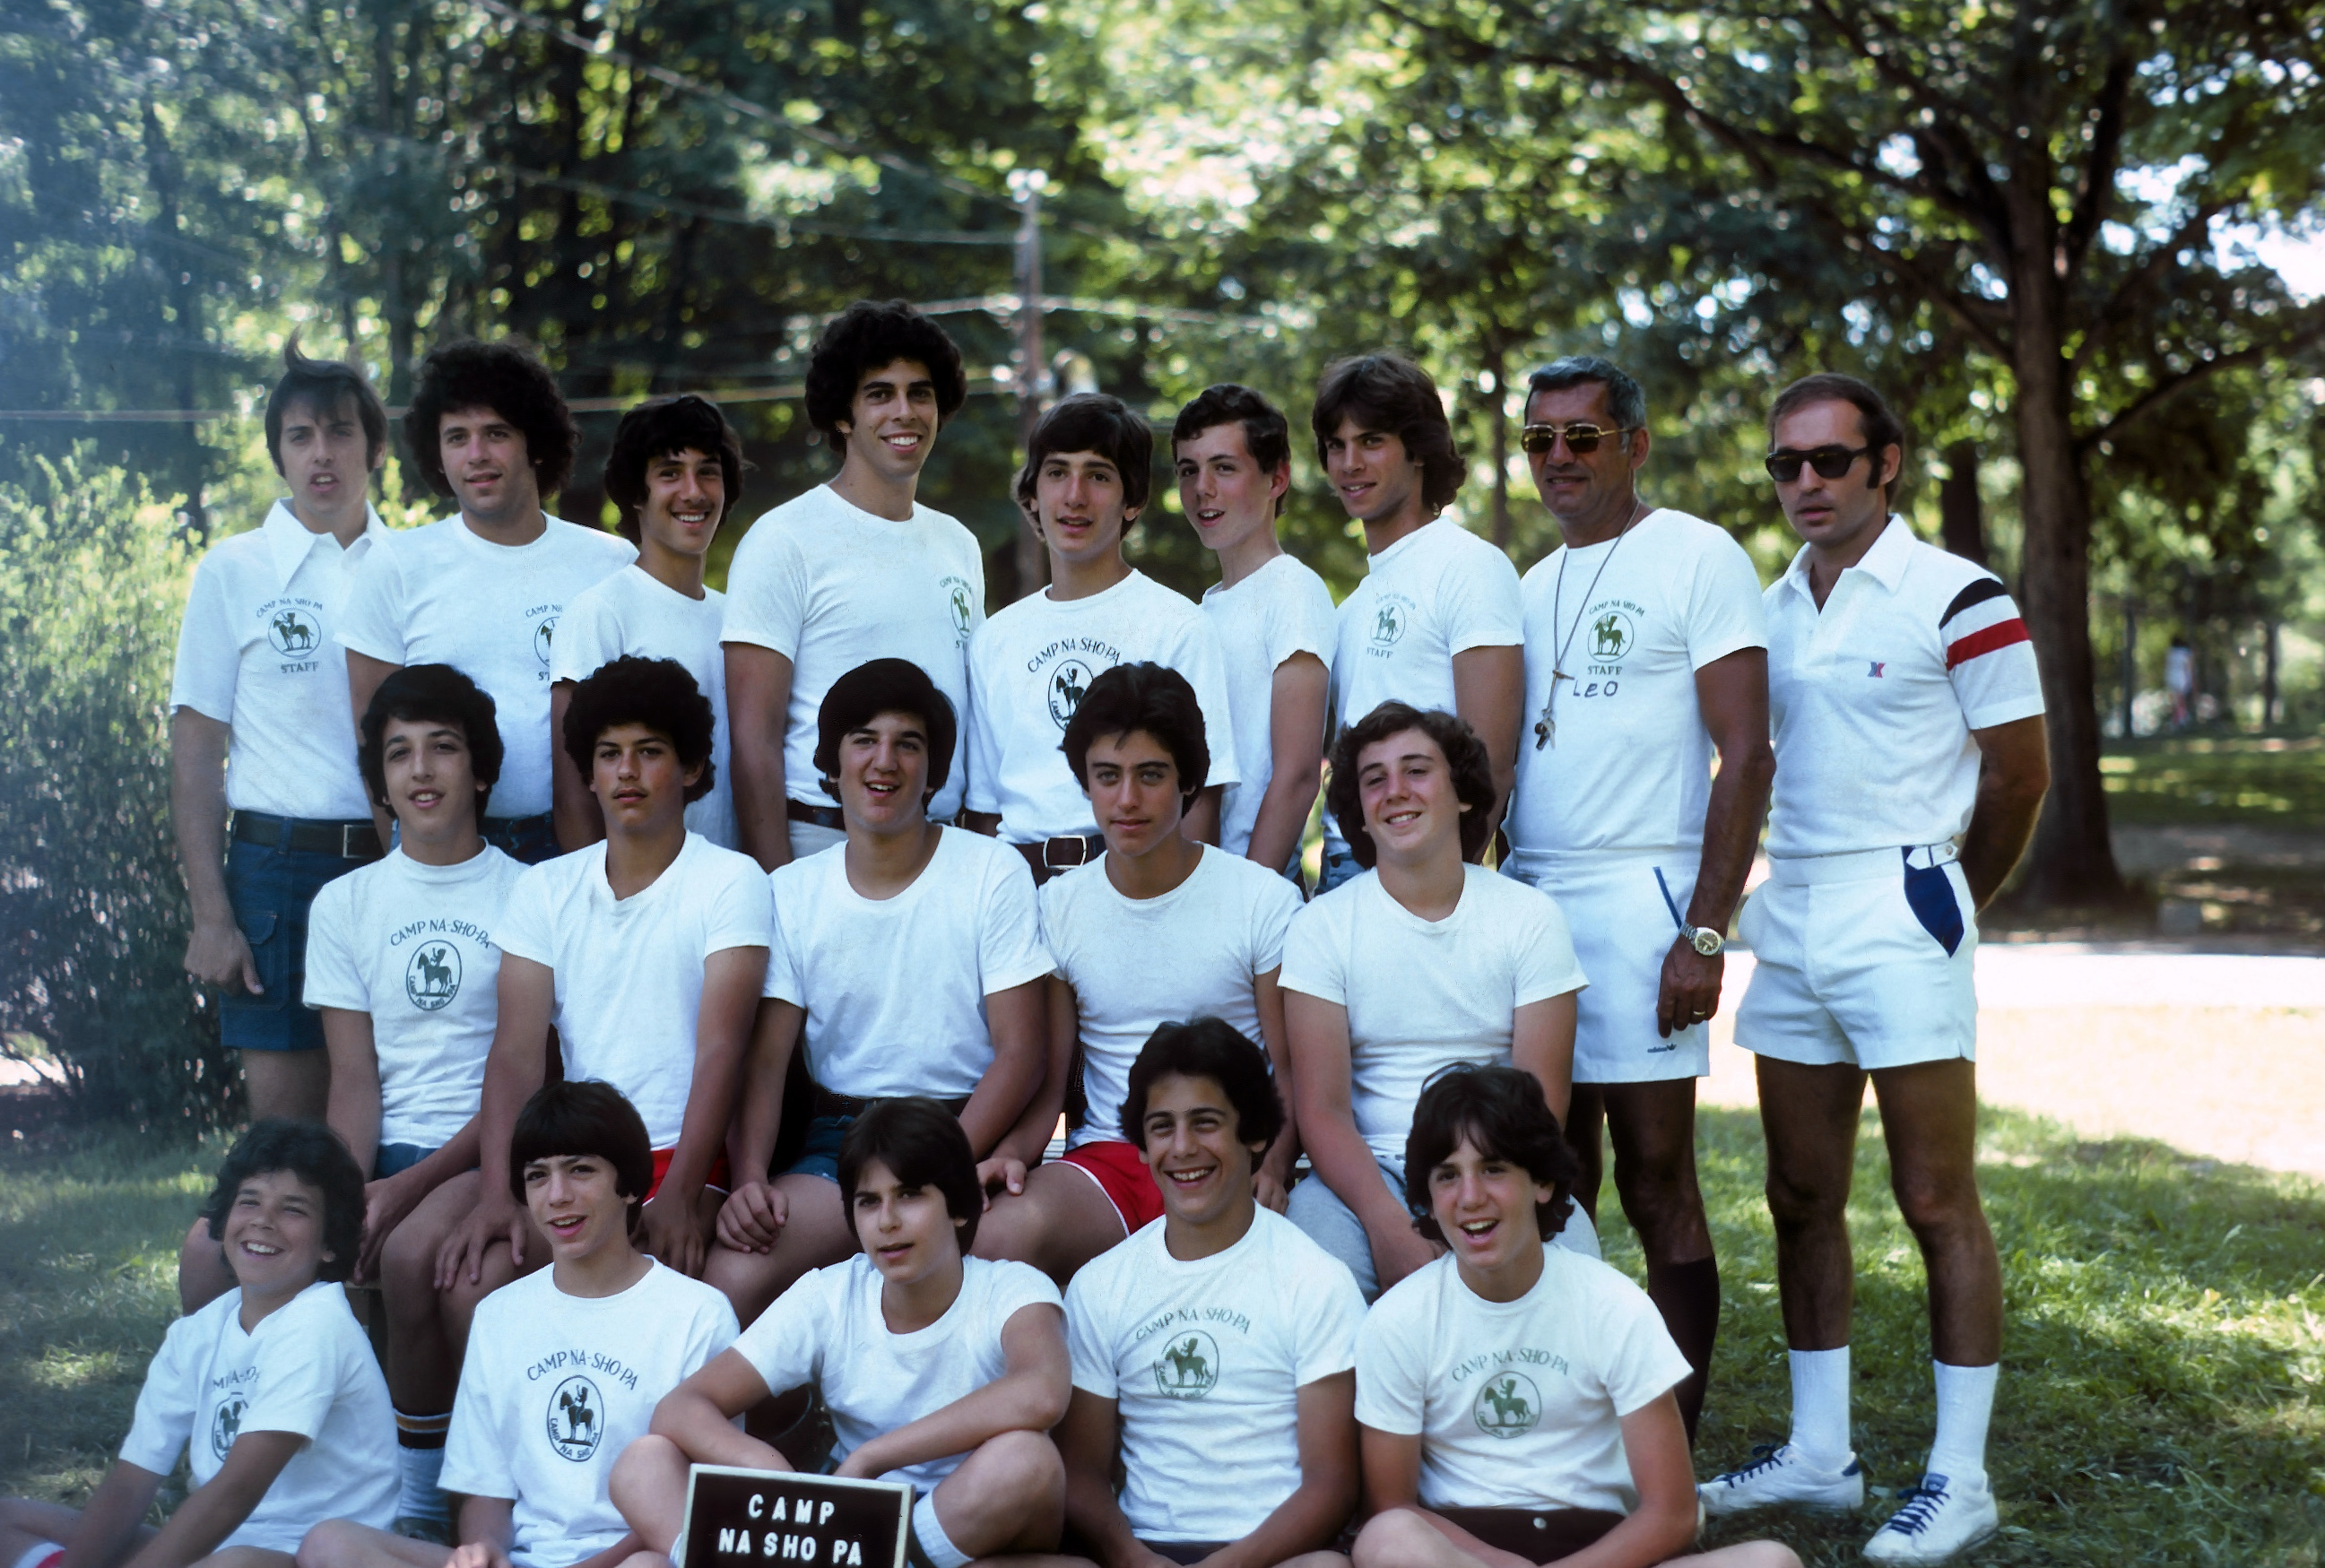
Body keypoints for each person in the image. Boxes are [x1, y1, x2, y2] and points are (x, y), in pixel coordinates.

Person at [1700, 374, 2048, 1567]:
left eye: (1829, 460)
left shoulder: (1958, 593)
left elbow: (2020, 775)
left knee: (1936, 1198)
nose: (1804, 482)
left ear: (1884, 464)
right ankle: (1819, 1452)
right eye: (1784, 464)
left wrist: (1944, 900)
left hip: (1902, 899)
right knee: (1799, 1194)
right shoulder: (1767, 609)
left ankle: (1961, 1479)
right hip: (1790, 910)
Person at [1502, 356, 1774, 1443]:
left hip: (1645, 896)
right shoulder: (1525, 586)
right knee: (1547, 1173)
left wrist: (1704, 931)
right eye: (1539, 440)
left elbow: (1746, 754)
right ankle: (1567, 1421)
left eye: (1583, 436)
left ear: (1635, 444)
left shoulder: (1698, 555)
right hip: (1534, 899)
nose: (1558, 458)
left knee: (1658, 1179)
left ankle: (1671, 1439)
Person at [430, 655, 770, 1375]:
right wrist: (498, 1194)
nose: (627, 772)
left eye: (649, 751)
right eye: (609, 754)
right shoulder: (545, 890)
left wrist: (680, 1194)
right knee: (472, 1284)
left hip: (684, 1154)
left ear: (690, 767)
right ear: (587, 772)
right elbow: (515, 1056)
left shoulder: (729, 880)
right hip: (575, 1160)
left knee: (645, 1310)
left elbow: (723, 1049)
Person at [709, 658, 1053, 1322]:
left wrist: (942, 1165)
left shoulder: (991, 870)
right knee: (733, 1276)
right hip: (842, 1140)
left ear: (934, 771)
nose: (884, 761)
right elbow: (765, 1064)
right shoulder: (791, 891)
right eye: (863, 739)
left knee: (977, 1254)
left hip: (962, 1128)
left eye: (908, 743)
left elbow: (1022, 1053)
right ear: (832, 764)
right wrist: (748, 1176)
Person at [1349, 1066, 1798, 1568]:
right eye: (1448, 1175)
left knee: (1772, 1562)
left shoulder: (1613, 1304)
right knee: (1388, 1537)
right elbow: (1390, 1505)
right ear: (1429, 1198)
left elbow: (1673, 1512)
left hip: (1601, 1551)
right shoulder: (1399, 1321)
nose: (1470, 1197)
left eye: (1494, 1169)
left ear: (1542, 1181)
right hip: (1463, 1556)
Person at [609, 1099, 1071, 1568]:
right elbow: (681, 1407)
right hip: (845, 1524)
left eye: (910, 1195)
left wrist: (872, 1458)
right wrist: (778, 1479)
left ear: (958, 1207)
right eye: (868, 1202)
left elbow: (1040, 1394)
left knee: (1026, 1458)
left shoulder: (1011, 1288)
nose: (887, 1221)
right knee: (643, 1464)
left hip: (954, 1522)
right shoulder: (831, 1295)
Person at [298, 1080, 738, 1568]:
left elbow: (699, 1505)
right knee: (329, 1543)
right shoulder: (499, 1315)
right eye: (537, 1176)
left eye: (581, 1170)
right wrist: (485, 1549)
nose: (557, 1196)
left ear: (630, 1185)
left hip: (632, 1560)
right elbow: (485, 1491)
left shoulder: (698, 1314)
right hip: (525, 1561)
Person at [974, 663, 1303, 1282]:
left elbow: (1288, 1069)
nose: (1126, 799)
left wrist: (1276, 1166)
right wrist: (1012, 1155)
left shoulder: (1263, 901)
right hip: (1114, 1158)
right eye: (1107, 776)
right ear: (1086, 782)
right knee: (994, 1237)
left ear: (1188, 782)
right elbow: (1050, 1082)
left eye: (1150, 775)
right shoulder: (1058, 905)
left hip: (1228, 1149)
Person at [1281, 704, 1592, 1303]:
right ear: (1358, 812)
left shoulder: (1529, 918)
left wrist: (1475, 1198)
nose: (1395, 791)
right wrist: (1384, 1223)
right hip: (1367, 1176)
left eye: (1417, 770)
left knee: (1572, 1283)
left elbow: (1541, 1103)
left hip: (1502, 1162)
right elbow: (1321, 1110)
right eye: (1374, 779)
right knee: (1319, 1282)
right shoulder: (1321, 929)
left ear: (1463, 793)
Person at [0, 1122, 395, 1568]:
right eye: (249, 1201)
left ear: (329, 1244)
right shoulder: (198, 1332)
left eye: (293, 1209)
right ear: (224, 1220)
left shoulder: (319, 1323)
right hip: (219, 1546)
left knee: (233, 1564)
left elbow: (237, 1490)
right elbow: (132, 1483)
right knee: (8, 1521)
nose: (263, 1221)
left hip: (308, 1554)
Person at [169, 338, 392, 1124]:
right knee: (290, 1138)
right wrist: (212, 913)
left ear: (375, 448)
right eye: (300, 436)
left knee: (397, 1117)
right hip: (278, 871)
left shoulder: (413, 567)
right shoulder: (234, 570)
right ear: (278, 455)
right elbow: (196, 750)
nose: (321, 453)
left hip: (398, 863)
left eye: (340, 432)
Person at [1056, 1018, 1365, 1568]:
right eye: (1161, 1127)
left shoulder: (1316, 1279)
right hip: (1144, 1553)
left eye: (1205, 1123)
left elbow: (1332, 1484)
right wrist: (1132, 1558)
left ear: (1255, 1135)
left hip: (1274, 1557)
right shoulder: (1101, 1285)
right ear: (1142, 1144)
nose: (1182, 1148)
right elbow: (1081, 1473)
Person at [337, 337, 635, 864]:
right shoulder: (396, 567)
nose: (476, 455)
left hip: (585, 844)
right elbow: (373, 740)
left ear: (534, 443)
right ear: (437, 453)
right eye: (457, 437)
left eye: (496, 433)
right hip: (445, 845)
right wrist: (405, 859)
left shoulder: (610, 564)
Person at [721, 300, 984, 870]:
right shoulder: (783, 540)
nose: (904, 412)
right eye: (880, 394)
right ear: (844, 415)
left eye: (920, 393)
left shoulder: (958, 544)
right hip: (821, 845)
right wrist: (778, 881)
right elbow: (752, 739)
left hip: (943, 850)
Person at [965, 394, 1241, 881]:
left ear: (1132, 500)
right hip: (1017, 886)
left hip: (1131, 881)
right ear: (1033, 494)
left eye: (1098, 475)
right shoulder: (996, 637)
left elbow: (1200, 798)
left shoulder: (1176, 625)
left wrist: (1178, 904)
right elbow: (985, 810)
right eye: (1057, 472)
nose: (1074, 496)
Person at [1310, 356, 1521, 894]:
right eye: (1336, 445)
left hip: (1426, 873)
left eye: (1371, 441)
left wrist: (1443, 894)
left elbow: (1493, 763)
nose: (1350, 463)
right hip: (1343, 867)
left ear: (1420, 449)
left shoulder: (1470, 566)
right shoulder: (1351, 607)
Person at [551, 394, 747, 851]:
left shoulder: (737, 618)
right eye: (670, 473)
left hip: (729, 877)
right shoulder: (600, 613)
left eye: (708, 471)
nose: (693, 492)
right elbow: (573, 795)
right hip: (637, 882)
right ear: (636, 492)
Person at [1173, 385, 1336, 879]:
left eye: (1224, 468)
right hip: (1197, 878)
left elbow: (1298, 774)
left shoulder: (1293, 589)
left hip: (1256, 882)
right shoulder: (1204, 609)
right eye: (1188, 470)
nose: (1202, 488)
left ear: (1277, 478)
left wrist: (1246, 897)